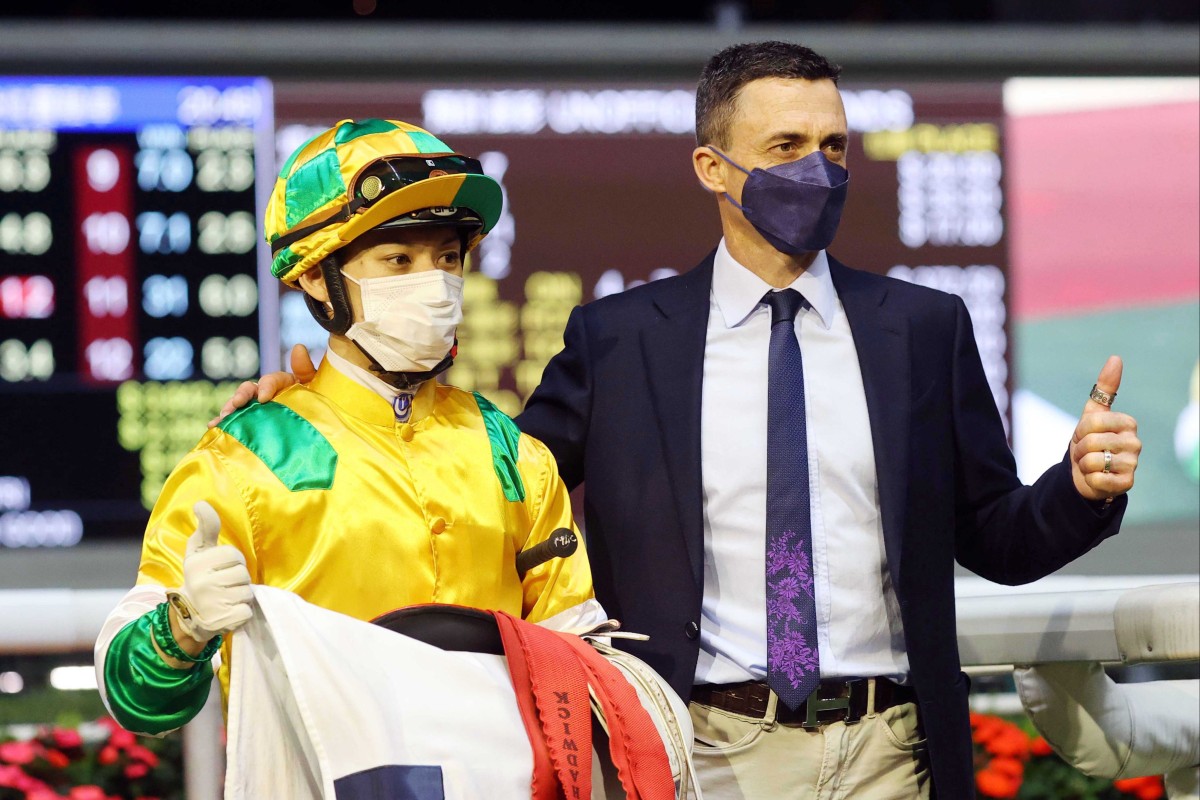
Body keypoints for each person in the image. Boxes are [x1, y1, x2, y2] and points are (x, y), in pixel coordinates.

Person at [228, 42, 1142, 799]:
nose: (816, 170)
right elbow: (483, 485)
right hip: (697, 754)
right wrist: (334, 402)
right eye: (784, 145)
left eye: (833, 145)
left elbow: (996, 538)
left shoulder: (923, 329)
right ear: (712, 167)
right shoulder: (620, 341)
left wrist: (1079, 489)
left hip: (893, 753)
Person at [95, 118, 606, 737]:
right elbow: (137, 703)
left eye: (448, 257)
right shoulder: (242, 458)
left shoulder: (511, 452)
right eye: (398, 259)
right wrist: (183, 625)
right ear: (314, 275)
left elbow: (581, 660)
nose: (436, 283)